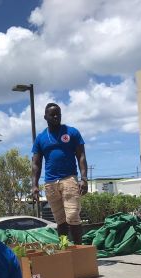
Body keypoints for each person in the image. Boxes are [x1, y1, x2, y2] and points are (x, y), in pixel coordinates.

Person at [32, 102, 88, 244]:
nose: (56, 116)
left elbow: (81, 156)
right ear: (45, 117)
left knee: (73, 216)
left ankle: (79, 250)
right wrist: (34, 185)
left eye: (58, 114)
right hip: (50, 183)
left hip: (69, 179)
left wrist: (84, 178)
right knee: (60, 220)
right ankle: (64, 249)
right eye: (52, 114)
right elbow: (36, 163)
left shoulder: (72, 132)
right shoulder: (40, 138)